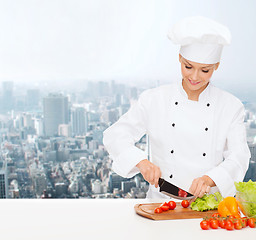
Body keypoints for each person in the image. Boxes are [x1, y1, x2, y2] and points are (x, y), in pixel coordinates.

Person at [103, 16, 251, 199]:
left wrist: (210, 179)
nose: (195, 76)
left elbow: (239, 157)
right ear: (180, 58)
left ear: (216, 66)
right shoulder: (154, 99)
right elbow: (115, 135)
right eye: (188, 67)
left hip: (206, 205)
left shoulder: (230, 106)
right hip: (161, 202)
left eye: (205, 70)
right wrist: (141, 162)